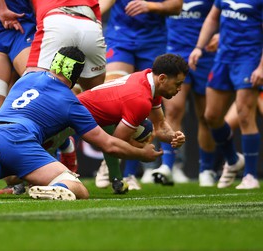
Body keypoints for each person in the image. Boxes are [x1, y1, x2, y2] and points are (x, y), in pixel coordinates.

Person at [0, 53, 186, 197]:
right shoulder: (73, 103)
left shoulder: (26, 78)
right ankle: (58, 185)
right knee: (75, 186)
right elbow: (110, 144)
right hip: (24, 140)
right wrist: (142, 153)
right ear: (76, 76)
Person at [95, 0, 184, 189]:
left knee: (145, 104)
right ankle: (111, 159)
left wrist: (152, 6)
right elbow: (101, 5)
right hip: (120, 36)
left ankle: (129, 174)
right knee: (114, 91)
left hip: (152, 40)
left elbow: (176, 6)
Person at [189, 0, 263, 189]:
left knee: (245, 115)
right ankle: (233, 159)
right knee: (211, 116)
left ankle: (250, 176)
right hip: (223, 58)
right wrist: (199, 47)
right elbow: (212, 18)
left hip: (249, 59)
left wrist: (261, 66)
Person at [155, 0, 217, 187]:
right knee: (173, 111)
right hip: (175, 55)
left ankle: (206, 169)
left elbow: (219, 16)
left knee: (206, 116)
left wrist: (220, 35)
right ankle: (167, 166)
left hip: (205, 56)